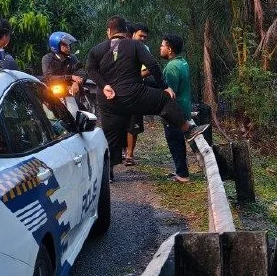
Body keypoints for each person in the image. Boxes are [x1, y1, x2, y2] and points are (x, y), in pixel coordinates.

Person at [85, 16, 207, 175]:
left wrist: (105, 85)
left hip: (108, 100)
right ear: (127, 31)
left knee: (110, 137)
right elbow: (153, 65)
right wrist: (165, 87)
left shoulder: (97, 49)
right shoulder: (136, 45)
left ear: (109, 31)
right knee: (165, 99)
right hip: (133, 95)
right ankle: (188, 129)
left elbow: (91, 70)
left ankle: (108, 174)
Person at [160, 33, 193, 183]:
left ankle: (183, 174)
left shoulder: (172, 67)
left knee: (175, 142)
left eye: (162, 46)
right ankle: (181, 171)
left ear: (170, 49)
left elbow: (169, 93)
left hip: (175, 111)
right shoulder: (183, 62)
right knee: (178, 141)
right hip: (184, 107)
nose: (160, 48)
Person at [123, 22, 151, 166]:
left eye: (145, 37)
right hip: (120, 90)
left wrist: (135, 76)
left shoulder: (144, 49)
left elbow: (149, 69)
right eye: (141, 35)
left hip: (136, 91)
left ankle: (130, 154)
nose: (143, 39)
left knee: (133, 124)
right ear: (132, 34)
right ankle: (121, 151)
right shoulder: (120, 46)